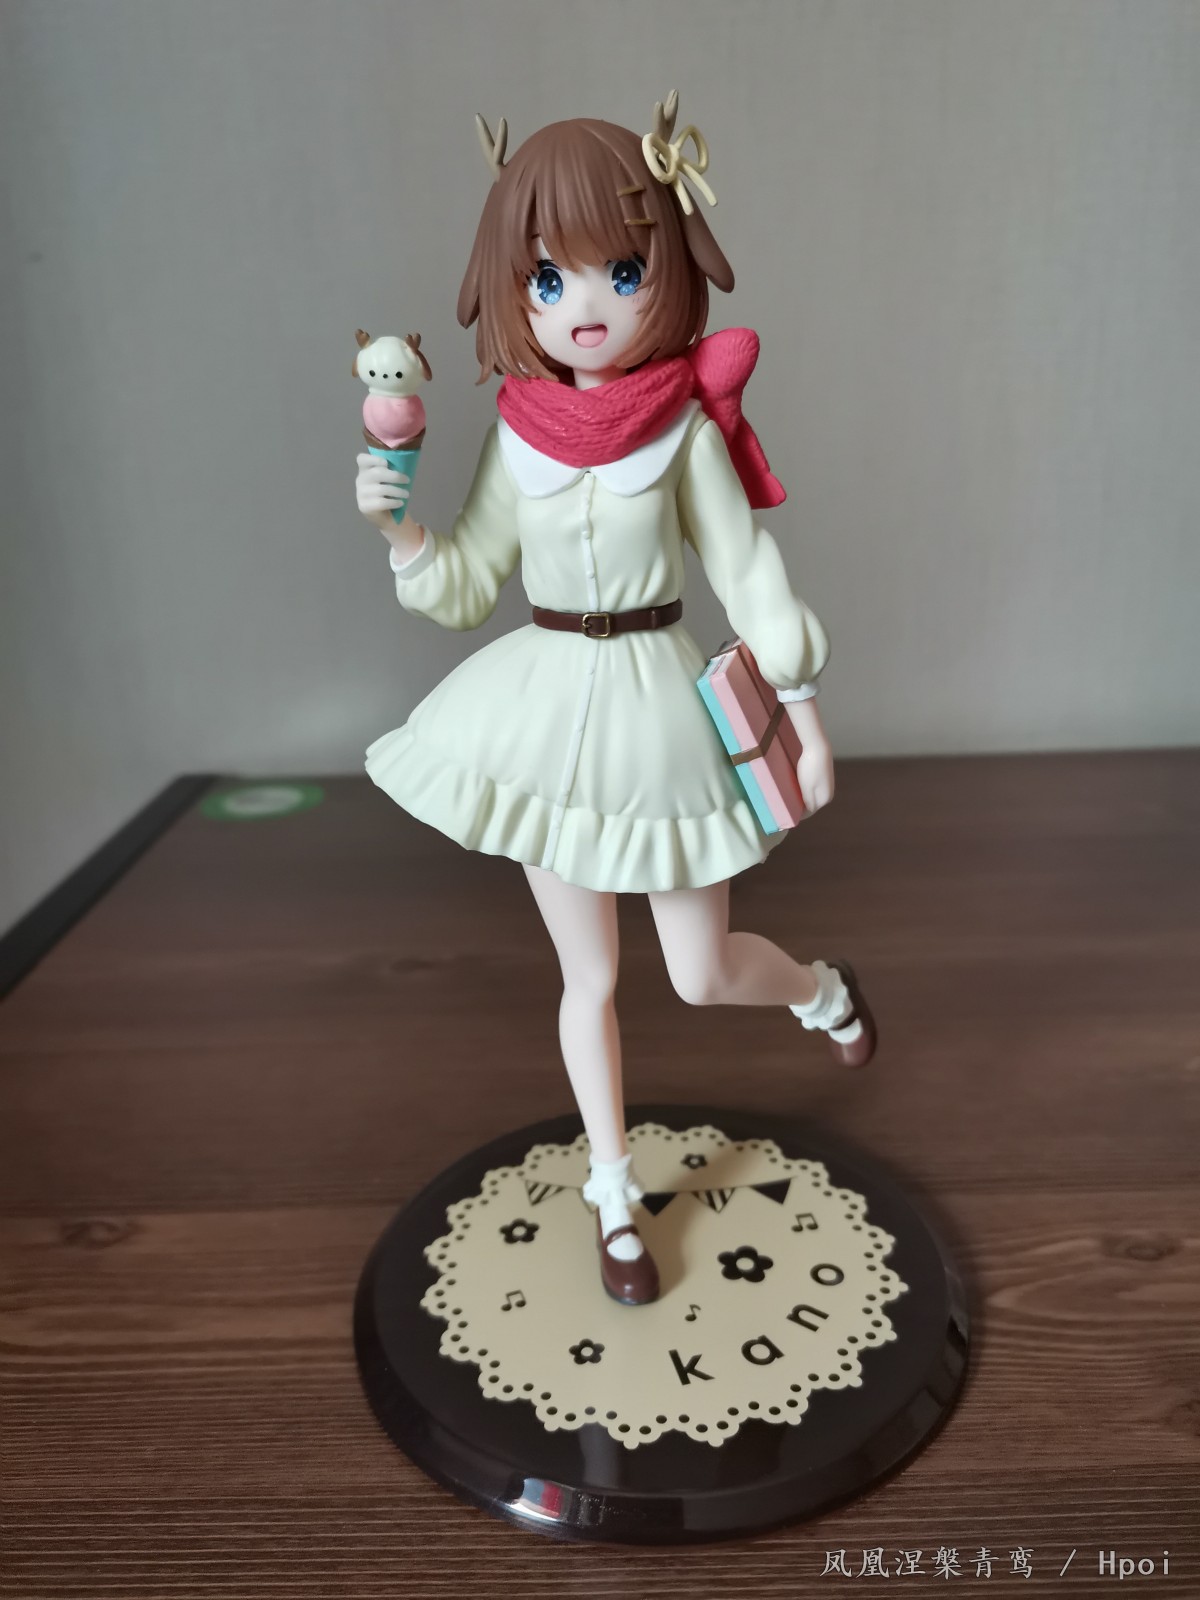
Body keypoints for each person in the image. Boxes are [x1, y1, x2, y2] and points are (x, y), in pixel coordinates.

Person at [355, 94, 876, 1309]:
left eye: (622, 270)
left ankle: (818, 988)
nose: (584, 304)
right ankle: (612, 1194)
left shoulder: (682, 433)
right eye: (547, 279)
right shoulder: (515, 436)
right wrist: (402, 533)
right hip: (544, 710)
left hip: (658, 711)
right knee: (586, 979)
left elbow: (748, 571)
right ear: (514, 290)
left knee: (699, 972)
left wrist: (803, 709)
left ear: (666, 271)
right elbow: (469, 579)